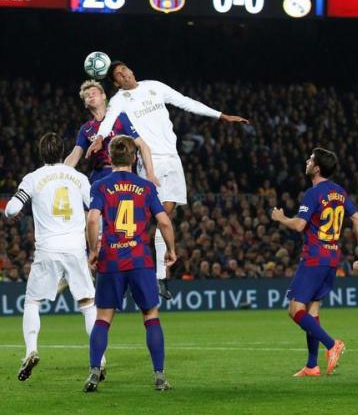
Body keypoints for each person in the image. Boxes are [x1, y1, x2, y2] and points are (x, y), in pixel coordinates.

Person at [86, 60, 247, 299]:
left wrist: (221, 116)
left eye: (125, 69)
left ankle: (160, 277)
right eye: (118, 75)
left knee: (165, 216)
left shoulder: (154, 86)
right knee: (152, 218)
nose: (124, 74)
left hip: (173, 158)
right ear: (117, 83)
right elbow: (108, 120)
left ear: (132, 70)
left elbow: (185, 102)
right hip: (150, 161)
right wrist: (100, 138)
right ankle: (127, 266)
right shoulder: (119, 100)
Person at [5, 132, 104, 381]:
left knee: (32, 302)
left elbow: (12, 209)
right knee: (87, 304)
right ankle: (100, 359)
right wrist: (98, 241)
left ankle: (31, 350)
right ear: (63, 152)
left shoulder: (33, 178)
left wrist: (14, 213)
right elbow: (96, 209)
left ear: (41, 153)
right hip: (75, 248)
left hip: (47, 249)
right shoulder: (78, 177)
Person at [83, 135, 177, 392]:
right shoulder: (146, 187)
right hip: (139, 259)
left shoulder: (100, 186)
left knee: (103, 318)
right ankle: (159, 377)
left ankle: (94, 371)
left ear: (110, 157)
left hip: (111, 259)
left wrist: (93, 251)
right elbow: (164, 221)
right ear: (134, 158)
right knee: (150, 316)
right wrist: (171, 250)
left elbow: (92, 219)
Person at [271, 148, 358, 377]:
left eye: (311, 159)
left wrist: (281, 218)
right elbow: (357, 218)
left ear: (316, 168)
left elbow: (299, 225)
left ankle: (332, 344)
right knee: (312, 310)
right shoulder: (339, 191)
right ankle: (312, 365)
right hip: (332, 257)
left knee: (295, 310)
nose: (307, 161)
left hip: (314, 257)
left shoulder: (313, 193)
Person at [65, 79, 159, 186]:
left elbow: (142, 145)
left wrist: (150, 174)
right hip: (97, 177)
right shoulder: (86, 128)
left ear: (103, 96)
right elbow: (74, 155)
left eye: (94, 93)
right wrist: (60, 172)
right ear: (85, 104)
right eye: (87, 95)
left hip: (122, 175)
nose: (90, 96)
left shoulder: (120, 118)